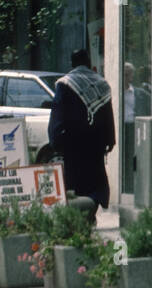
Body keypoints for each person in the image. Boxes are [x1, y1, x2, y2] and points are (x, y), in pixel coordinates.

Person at [49, 49, 115, 220]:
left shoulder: (65, 84)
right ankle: (91, 212)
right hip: (96, 143)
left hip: (73, 144)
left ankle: (79, 217)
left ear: (72, 64)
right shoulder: (102, 83)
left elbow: (57, 113)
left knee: (75, 183)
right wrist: (110, 140)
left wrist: (56, 141)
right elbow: (109, 113)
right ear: (88, 62)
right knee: (96, 180)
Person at [122, 62, 152, 193]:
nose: (128, 77)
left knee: (135, 158)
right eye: (125, 74)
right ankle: (126, 185)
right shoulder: (117, 92)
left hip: (135, 126)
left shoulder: (139, 93)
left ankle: (135, 186)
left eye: (129, 74)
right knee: (124, 158)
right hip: (123, 127)